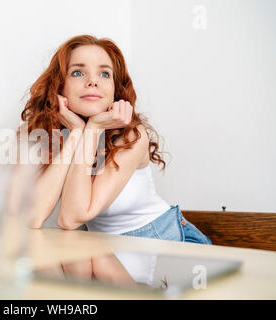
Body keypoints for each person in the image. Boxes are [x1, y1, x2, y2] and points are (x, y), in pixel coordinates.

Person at [18, 34, 211, 245]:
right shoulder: (54, 135)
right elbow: (32, 217)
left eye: (104, 74)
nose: (92, 81)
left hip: (168, 239)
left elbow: (71, 218)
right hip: (113, 255)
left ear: (115, 90)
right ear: (59, 86)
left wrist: (94, 127)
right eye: (78, 72)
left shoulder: (131, 136)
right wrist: (76, 132)